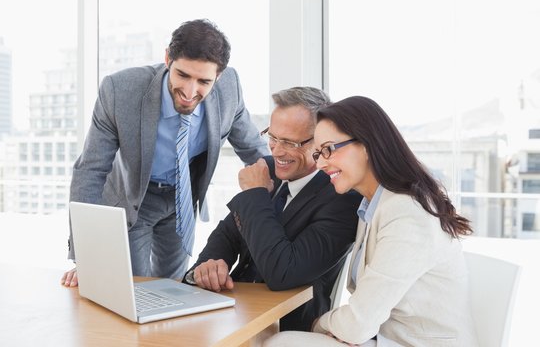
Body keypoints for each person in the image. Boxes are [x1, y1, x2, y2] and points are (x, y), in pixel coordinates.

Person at [61, 19, 269, 287]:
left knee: (173, 289)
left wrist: (294, 191)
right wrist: (86, 256)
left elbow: (254, 149)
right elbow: (90, 170)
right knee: (132, 288)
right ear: (168, 58)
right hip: (135, 199)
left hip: (183, 199)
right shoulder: (120, 91)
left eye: (203, 81)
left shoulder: (230, 89)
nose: (190, 91)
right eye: (182, 75)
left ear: (219, 76)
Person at [264, 96, 478, 346]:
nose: (321, 163)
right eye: (318, 153)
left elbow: (357, 324)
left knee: (282, 343)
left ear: (367, 145)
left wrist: (319, 324)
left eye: (329, 149)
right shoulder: (373, 206)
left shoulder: (406, 213)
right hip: (384, 339)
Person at [183, 87, 362, 331]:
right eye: (273, 137)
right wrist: (208, 267)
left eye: (290, 142)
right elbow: (227, 234)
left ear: (321, 142)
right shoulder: (268, 169)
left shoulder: (343, 199)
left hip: (285, 324)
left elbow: (283, 273)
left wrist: (255, 194)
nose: (276, 151)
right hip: (233, 309)